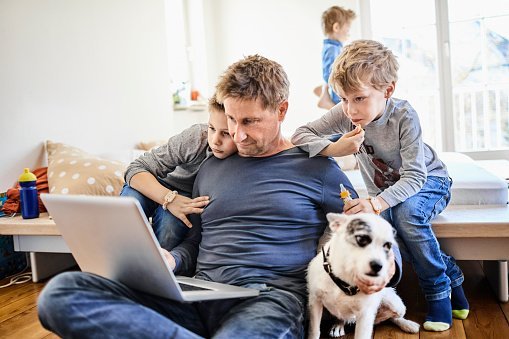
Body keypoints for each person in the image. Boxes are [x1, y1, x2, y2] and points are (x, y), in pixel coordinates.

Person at [37, 54, 402, 338]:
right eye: (231, 120)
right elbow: (196, 240)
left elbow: (372, 228)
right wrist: (172, 261)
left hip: (269, 299)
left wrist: (388, 271)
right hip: (197, 294)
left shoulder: (317, 168)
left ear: (282, 110)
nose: (237, 135)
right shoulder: (210, 166)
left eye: (250, 122)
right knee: (63, 292)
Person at [292, 39, 469, 332]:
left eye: (359, 98)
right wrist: (335, 149)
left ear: (387, 90)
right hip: (384, 194)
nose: (349, 109)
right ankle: (454, 276)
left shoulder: (404, 116)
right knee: (390, 229)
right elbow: (300, 135)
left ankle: (437, 289)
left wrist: (375, 203)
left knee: (407, 216)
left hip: (429, 182)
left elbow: (415, 177)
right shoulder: (346, 112)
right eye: (343, 99)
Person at [120, 95, 237, 250]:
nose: (215, 140)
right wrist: (169, 198)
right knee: (129, 205)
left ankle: (156, 268)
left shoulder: (241, 159)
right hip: (157, 181)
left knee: (170, 227)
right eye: (212, 128)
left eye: (226, 133)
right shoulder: (197, 137)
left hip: (186, 197)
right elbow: (135, 168)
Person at [315, 5, 356, 110]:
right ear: (336, 27)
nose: (348, 34)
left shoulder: (333, 47)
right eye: (347, 30)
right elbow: (331, 73)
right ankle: (326, 99)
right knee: (344, 113)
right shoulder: (332, 49)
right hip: (337, 91)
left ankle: (324, 91)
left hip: (334, 88)